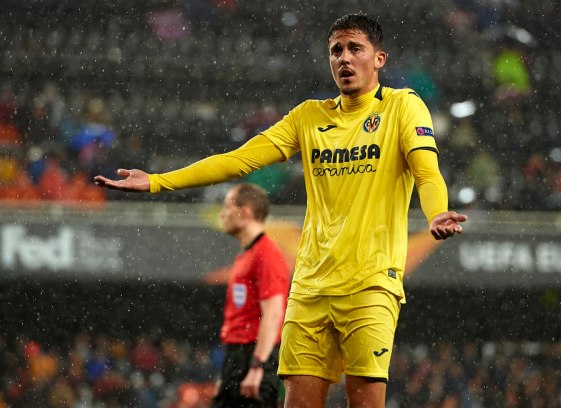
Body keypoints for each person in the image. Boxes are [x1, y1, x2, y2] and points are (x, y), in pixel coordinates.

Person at [95, 12, 468, 408]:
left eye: (355, 49)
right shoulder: (309, 117)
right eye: (336, 50)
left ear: (379, 59)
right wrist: (158, 181)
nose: (344, 58)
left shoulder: (402, 106)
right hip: (309, 288)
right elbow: (239, 160)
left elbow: (427, 173)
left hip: (370, 285)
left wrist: (436, 212)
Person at [210, 183, 290, 407]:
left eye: (227, 207)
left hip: (253, 355)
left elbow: (273, 314)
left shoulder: (268, 254)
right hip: (238, 356)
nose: (222, 214)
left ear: (245, 213)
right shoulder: (248, 254)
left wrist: (257, 367)